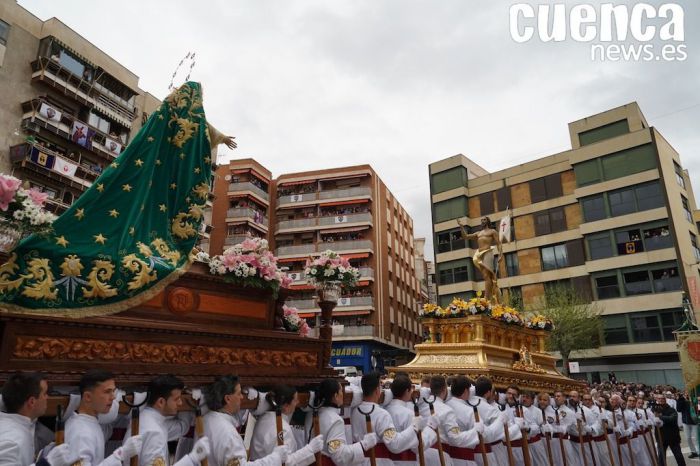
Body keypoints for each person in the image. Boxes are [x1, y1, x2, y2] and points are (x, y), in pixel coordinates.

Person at [202, 375, 287, 466]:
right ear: (227, 399)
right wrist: (275, 458)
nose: (242, 397)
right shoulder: (228, 433)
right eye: (238, 393)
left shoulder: (206, 419)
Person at [128, 374, 210, 466]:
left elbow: (181, 428)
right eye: (176, 399)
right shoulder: (154, 432)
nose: (180, 403)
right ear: (161, 402)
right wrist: (192, 458)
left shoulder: (145, 419)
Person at [64, 370, 142, 465]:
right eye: (107, 392)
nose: (113, 397)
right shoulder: (80, 432)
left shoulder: (90, 423)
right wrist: (120, 454)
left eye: (113, 391)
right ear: (88, 396)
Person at [0, 372, 78, 466]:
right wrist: (48, 463)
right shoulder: (11, 440)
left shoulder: (23, 426)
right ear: (32, 402)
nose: (47, 397)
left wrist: (44, 454)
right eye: (44, 393)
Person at [350, 372, 419, 466]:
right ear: (377, 390)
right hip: (379, 462)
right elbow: (394, 444)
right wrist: (414, 427)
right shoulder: (382, 414)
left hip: (358, 462)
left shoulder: (354, 412)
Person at [250, 385, 323, 466]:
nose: (298, 402)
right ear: (286, 406)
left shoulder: (264, 418)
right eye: (295, 400)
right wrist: (310, 449)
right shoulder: (282, 429)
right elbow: (285, 462)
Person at [457, 217, 503, 303]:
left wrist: (501, 254)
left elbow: (499, 243)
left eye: (484, 220)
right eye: (481, 220)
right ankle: (490, 296)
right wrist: (461, 227)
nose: (482, 221)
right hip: (479, 255)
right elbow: (465, 236)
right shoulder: (478, 233)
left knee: (487, 275)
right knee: (486, 276)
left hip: (488, 253)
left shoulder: (492, 231)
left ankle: (486, 297)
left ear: (488, 221)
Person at [444, 376, 486, 466]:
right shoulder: (469, 411)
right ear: (466, 391)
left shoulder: (444, 405)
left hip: (446, 459)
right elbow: (481, 433)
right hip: (464, 459)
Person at [654, 393, 686, 466]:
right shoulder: (654, 409)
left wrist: (661, 417)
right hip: (661, 437)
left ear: (665, 399)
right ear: (657, 400)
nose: (661, 400)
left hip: (673, 437)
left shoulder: (671, 409)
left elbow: (673, 418)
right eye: (659, 398)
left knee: (679, 456)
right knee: (661, 458)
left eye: (662, 398)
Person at [676, 391, 699, 459]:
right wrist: (680, 399)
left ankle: (699, 451)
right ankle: (693, 452)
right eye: (685, 393)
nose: (686, 394)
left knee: (697, 438)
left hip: (695, 421)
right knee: (688, 438)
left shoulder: (695, 399)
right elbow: (678, 409)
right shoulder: (682, 400)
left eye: (688, 392)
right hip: (685, 421)